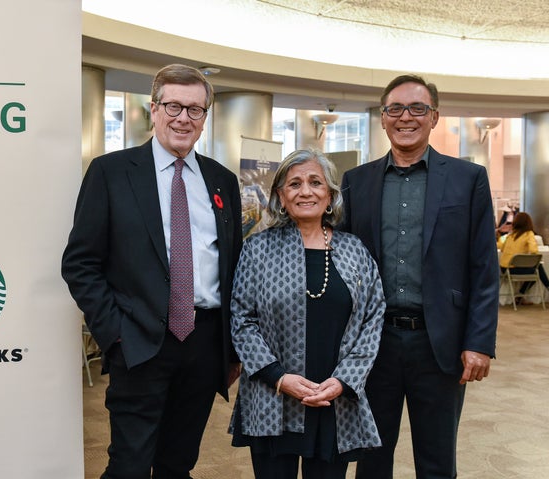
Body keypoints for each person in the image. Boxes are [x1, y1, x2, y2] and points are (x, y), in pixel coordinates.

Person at [61, 64, 243, 479]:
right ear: (154, 109)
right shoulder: (111, 172)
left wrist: (229, 349)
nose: (183, 118)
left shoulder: (221, 181)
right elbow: (80, 263)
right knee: (129, 464)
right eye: (174, 106)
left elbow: (232, 264)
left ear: (205, 118)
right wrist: (116, 334)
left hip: (205, 342)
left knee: (179, 463)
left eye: (195, 110)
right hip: (139, 340)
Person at [339, 74, 499, 479]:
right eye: (395, 109)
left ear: (435, 117)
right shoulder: (356, 182)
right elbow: (342, 264)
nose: (405, 117)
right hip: (373, 347)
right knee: (371, 458)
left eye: (417, 108)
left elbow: (483, 267)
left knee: (437, 460)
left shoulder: (468, 179)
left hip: (440, 344)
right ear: (382, 118)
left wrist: (479, 342)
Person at [230, 149, 385, 479]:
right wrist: (278, 377)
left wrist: (345, 380)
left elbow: (373, 316)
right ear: (281, 197)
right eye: (294, 184)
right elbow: (242, 319)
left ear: (329, 195)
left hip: (333, 400)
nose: (305, 191)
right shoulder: (257, 248)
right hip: (272, 397)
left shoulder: (354, 249)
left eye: (315, 182)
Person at [498, 211, 549, 296]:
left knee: (536, 271)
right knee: (537, 269)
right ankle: (547, 286)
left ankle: (520, 296)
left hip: (504, 269)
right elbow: (533, 251)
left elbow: (502, 248)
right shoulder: (529, 234)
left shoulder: (510, 235)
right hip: (514, 268)